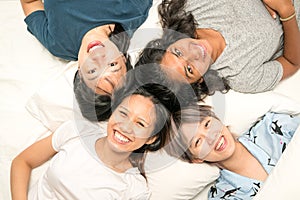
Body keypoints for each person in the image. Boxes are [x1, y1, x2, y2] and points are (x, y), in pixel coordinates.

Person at [10, 79, 177, 199]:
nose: (126, 127)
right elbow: (22, 162)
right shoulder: (77, 131)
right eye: (123, 113)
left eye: (140, 124)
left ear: (151, 138)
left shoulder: (134, 190)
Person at [20, 0, 153, 120]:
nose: (98, 57)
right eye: (112, 64)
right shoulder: (133, 10)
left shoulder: (59, 44)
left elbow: (30, 3)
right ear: (122, 57)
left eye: (92, 71)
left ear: (79, 72)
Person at [137, 0, 300, 97]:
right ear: (200, 79)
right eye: (189, 69)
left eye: (177, 52)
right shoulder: (241, 76)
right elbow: (292, 62)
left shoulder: (191, 6)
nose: (193, 53)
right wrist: (287, 12)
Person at [165, 104, 300, 199]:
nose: (211, 137)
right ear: (196, 159)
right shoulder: (223, 195)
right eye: (198, 142)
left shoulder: (271, 126)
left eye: (207, 124)